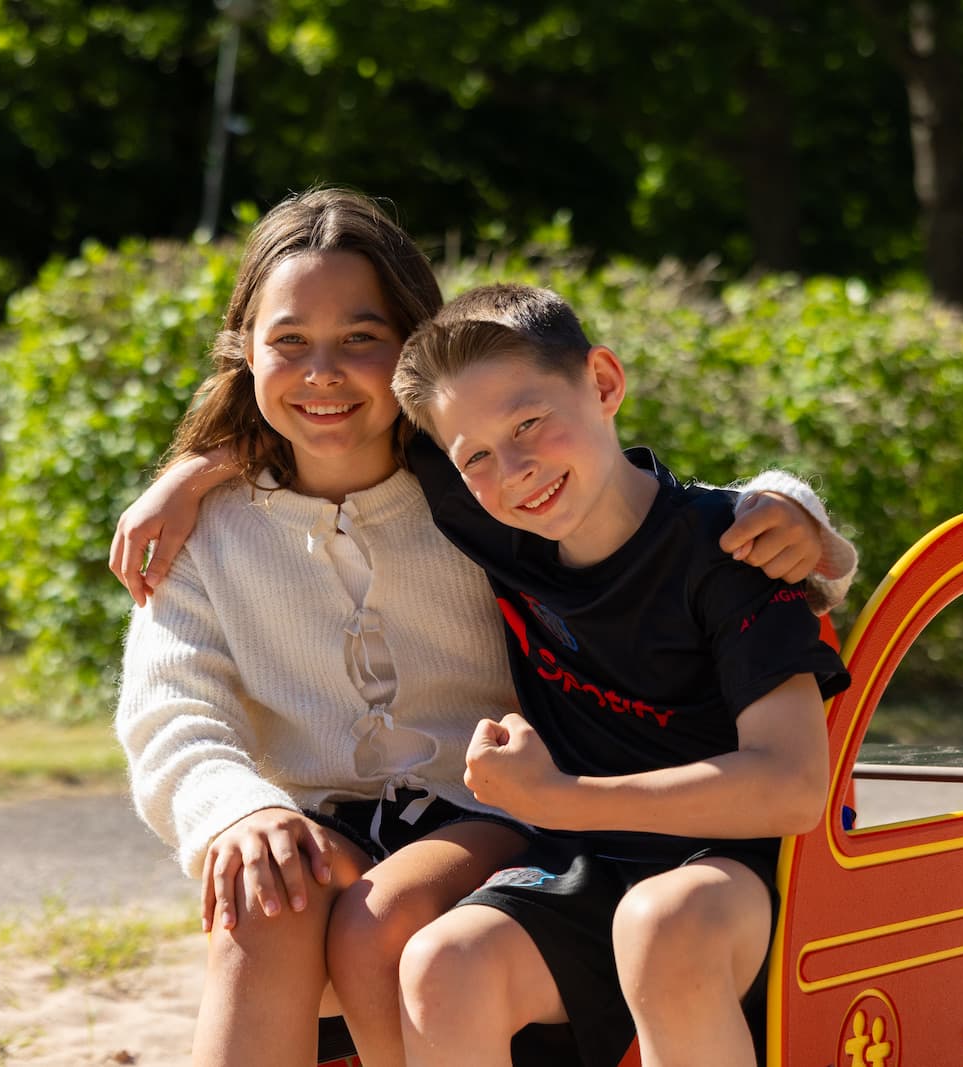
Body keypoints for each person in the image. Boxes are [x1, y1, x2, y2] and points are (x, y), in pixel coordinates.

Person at [111, 188, 856, 1067]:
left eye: (360, 339)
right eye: (290, 344)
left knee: (385, 928)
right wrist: (193, 473)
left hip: (499, 809)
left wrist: (805, 522)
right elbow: (171, 712)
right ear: (245, 352)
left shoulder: (477, 497)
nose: (322, 372)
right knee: (263, 898)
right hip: (331, 824)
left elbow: (639, 498)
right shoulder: (215, 526)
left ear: (406, 357)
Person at [387, 284, 852, 1067]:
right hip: (590, 867)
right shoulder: (501, 529)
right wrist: (188, 473)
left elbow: (794, 786)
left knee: (660, 925)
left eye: (530, 423)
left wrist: (562, 798)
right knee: (443, 965)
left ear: (603, 384)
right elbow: (323, 414)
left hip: (739, 878)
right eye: (476, 458)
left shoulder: (736, 548)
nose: (516, 469)